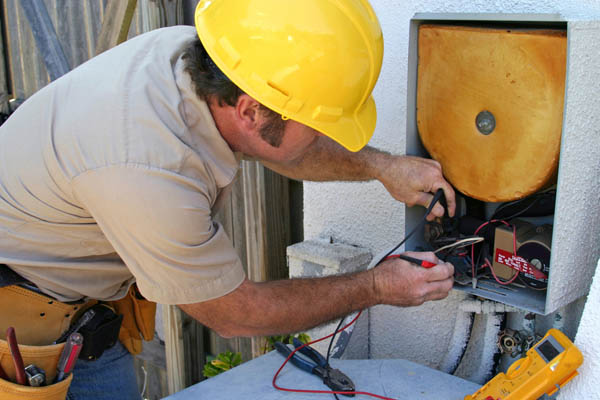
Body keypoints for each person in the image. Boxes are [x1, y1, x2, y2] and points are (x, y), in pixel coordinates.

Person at [0, 1, 455, 398]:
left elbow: (279, 144)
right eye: (317, 123)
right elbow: (234, 313)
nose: (326, 135)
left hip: (82, 321)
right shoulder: (150, 170)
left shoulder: (198, 57)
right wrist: (376, 287)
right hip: (22, 335)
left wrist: (384, 167)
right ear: (251, 110)